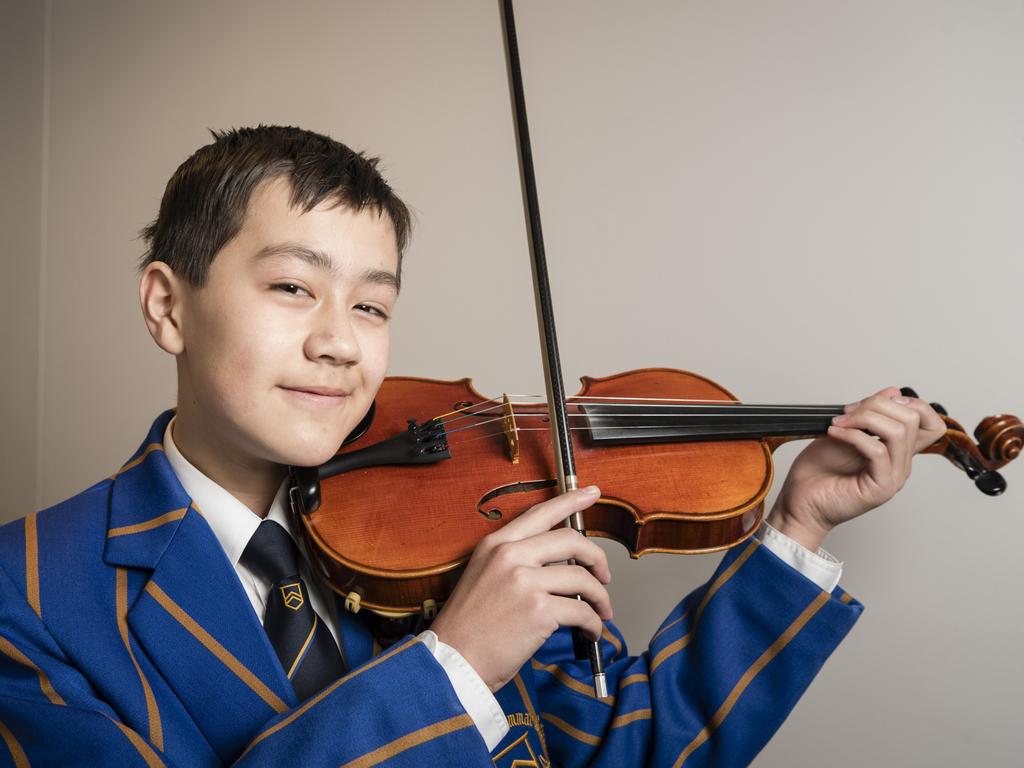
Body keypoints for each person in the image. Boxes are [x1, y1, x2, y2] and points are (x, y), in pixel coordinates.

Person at [0, 126, 945, 767]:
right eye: (294, 288)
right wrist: (452, 665)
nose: (342, 342)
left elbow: (635, 748)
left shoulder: (452, 531)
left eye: (373, 305)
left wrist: (797, 524)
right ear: (170, 305)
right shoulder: (28, 593)